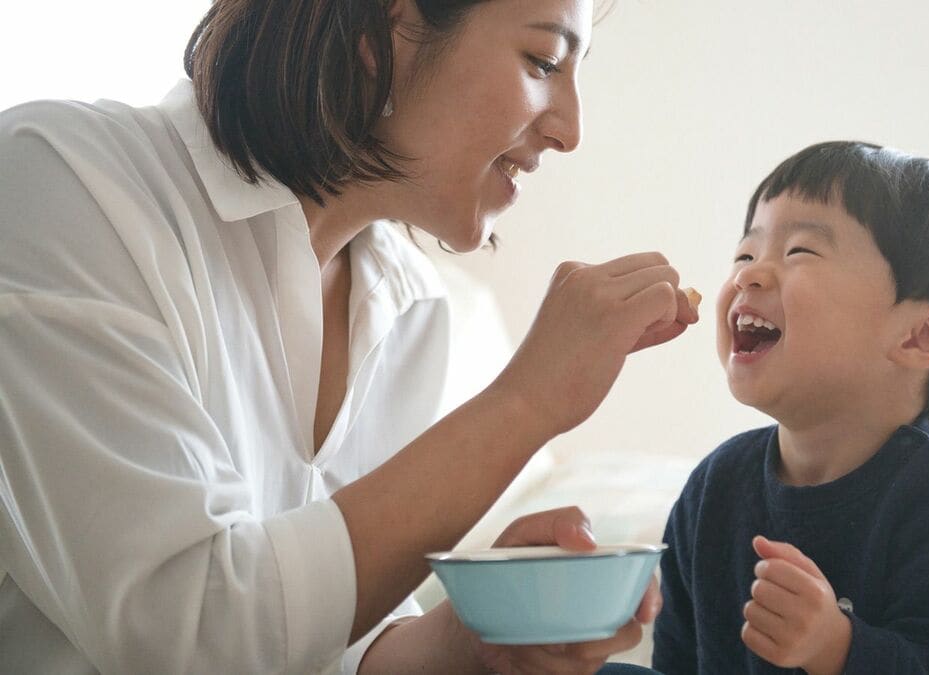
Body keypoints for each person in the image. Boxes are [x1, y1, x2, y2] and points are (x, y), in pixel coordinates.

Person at [0, 0, 699, 672]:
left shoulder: (413, 308)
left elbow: (329, 651)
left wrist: (472, 638)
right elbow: (194, 634)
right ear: (381, 28)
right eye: (543, 60)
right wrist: (525, 400)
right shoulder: (62, 182)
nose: (570, 129)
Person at [652, 141, 929, 674]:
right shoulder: (715, 486)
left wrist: (839, 648)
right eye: (745, 254)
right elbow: (677, 659)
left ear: (921, 335)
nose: (748, 275)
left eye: (799, 252)